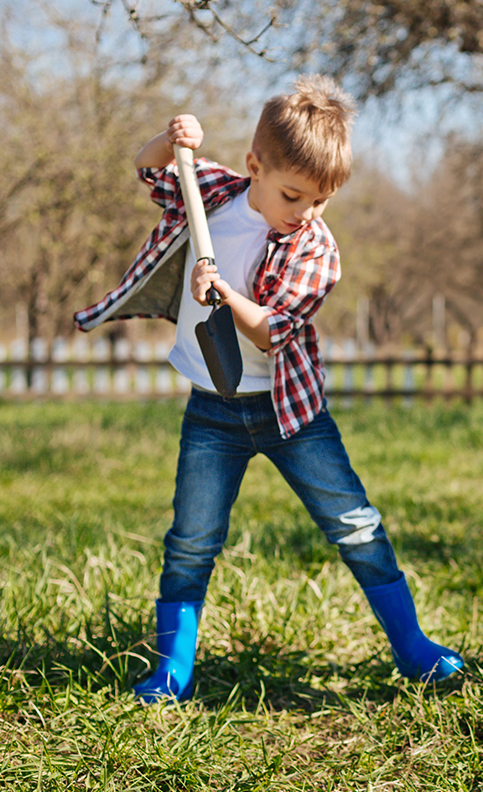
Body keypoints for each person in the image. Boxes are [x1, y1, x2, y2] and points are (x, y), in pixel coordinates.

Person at [75, 76, 463, 702]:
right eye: (292, 194)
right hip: (213, 412)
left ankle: (413, 647)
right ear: (254, 166)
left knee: (354, 524)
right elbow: (150, 171)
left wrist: (223, 294)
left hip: (292, 416)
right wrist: (170, 139)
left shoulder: (317, 249)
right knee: (191, 540)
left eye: (320, 200)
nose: (305, 211)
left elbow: (272, 331)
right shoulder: (214, 195)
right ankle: (172, 671)